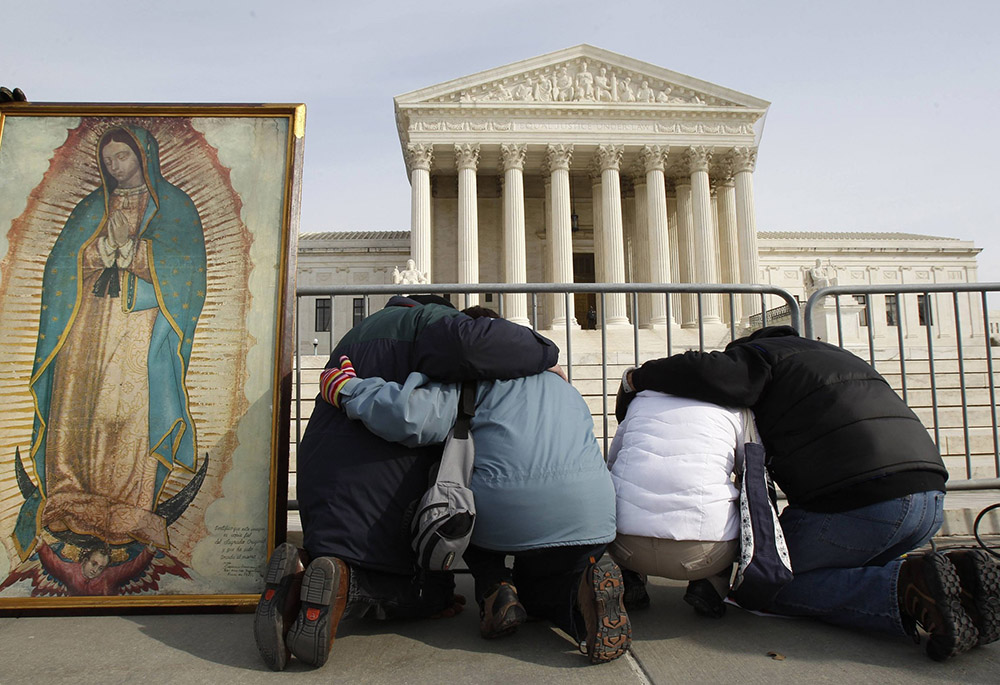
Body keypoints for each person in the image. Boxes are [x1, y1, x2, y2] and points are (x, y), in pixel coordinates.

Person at [616, 325, 999, 661]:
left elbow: (714, 373)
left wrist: (637, 378)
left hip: (864, 502)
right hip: (928, 499)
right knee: (836, 567)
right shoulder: (836, 356)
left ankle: (904, 588)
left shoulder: (760, 357)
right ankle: (959, 584)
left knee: (764, 584)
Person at [253, 295, 561, 670]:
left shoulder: (358, 334)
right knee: (429, 595)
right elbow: (422, 411)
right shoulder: (433, 324)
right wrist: (546, 351)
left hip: (320, 484)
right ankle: (346, 588)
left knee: (341, 553)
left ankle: (301, 569)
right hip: (381, 497)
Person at [324, 308, 629, 664]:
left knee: (461, 509)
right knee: (550, 586)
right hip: (594, 513)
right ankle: (583, 589)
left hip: (507, 514)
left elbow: (408, 416)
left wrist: (348, 387)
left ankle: (496, 588)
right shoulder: (559, 382)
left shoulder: (469, 380)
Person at [12, 125, 206, 582]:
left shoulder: (173, 207)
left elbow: (187, 274)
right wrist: (98, 249)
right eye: (110, 158)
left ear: (143, 155)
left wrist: (136, 251)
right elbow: (61, 264)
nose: (116, 166)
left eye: (124, 156)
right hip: (85, 325)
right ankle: (69, 492)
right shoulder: (89, 207)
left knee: (126, 407)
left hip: (137, 325)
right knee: (77, 403)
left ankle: (130, 502)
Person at [608, 391, 745, 618]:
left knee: (624, 490)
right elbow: (749, 472)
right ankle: (709, 585)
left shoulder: (639, 403)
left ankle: (629, 577)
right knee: (734, 500)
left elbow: (612, 462)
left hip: (627, 546)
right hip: (704, 554)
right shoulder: (734, 408)